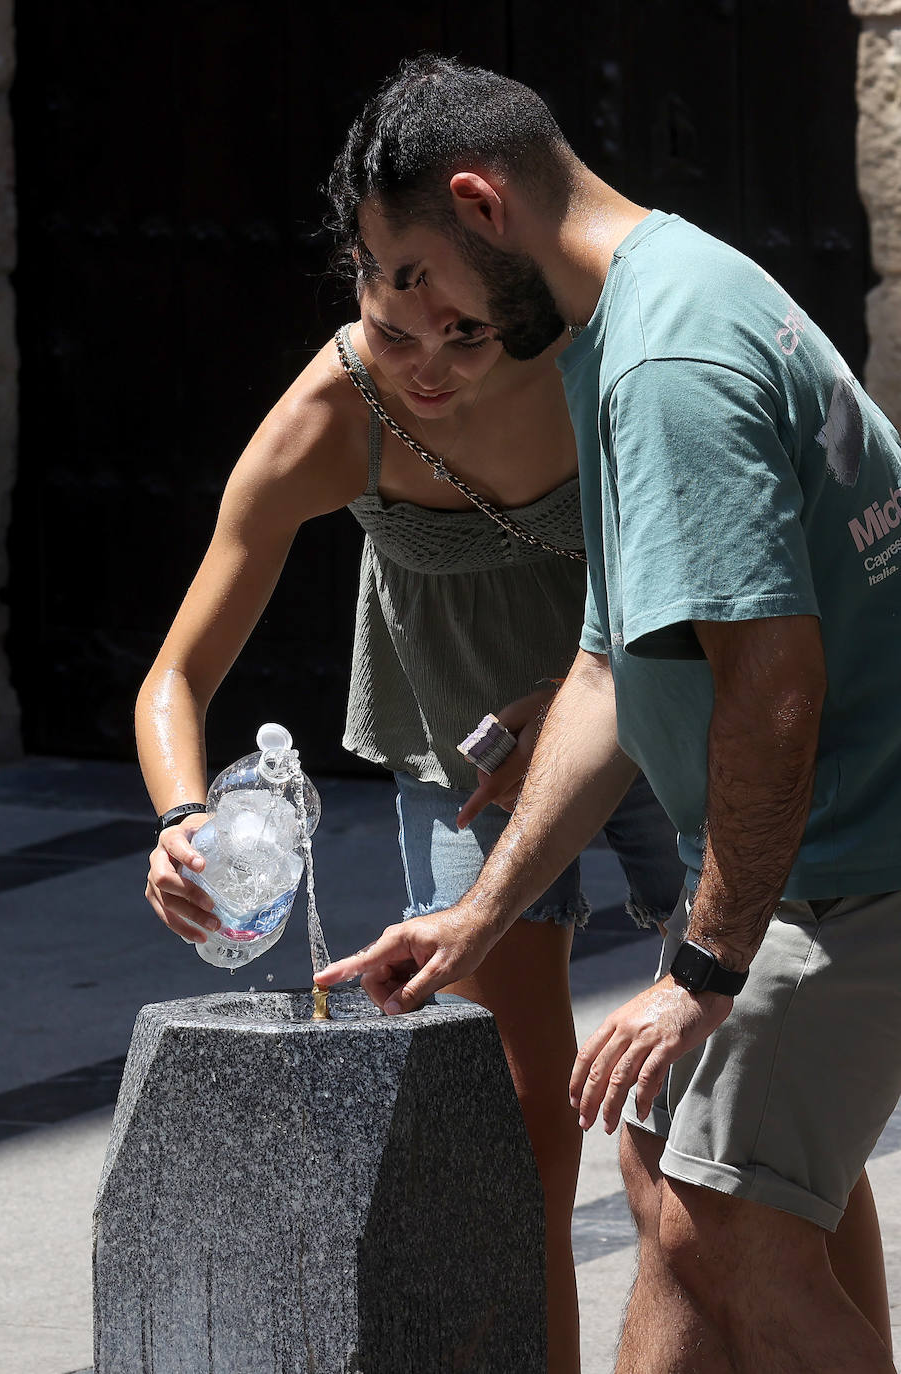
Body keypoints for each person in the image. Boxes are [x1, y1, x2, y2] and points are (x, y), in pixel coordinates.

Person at [315, 54, 901, 1373]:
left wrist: (699, 970)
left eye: (405, 275)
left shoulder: (662, 361)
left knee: (727, 1231)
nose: (410, 323)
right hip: (827, 853)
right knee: (671, 1184)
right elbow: (603, 668)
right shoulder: (640, 305)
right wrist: (477, 913)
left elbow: (772, 688)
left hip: (854, 864)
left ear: (476, 205)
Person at [136, 265, 685, 1370]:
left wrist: (583, 706)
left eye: (463, 334)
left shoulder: (605, 364)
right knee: (514, 1141)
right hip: (465, 766)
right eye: (394, 331)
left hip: (671, 726)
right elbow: (174, 677)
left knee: (712, 1147)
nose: (425, 366)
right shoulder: (336, 411)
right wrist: (184, 824)